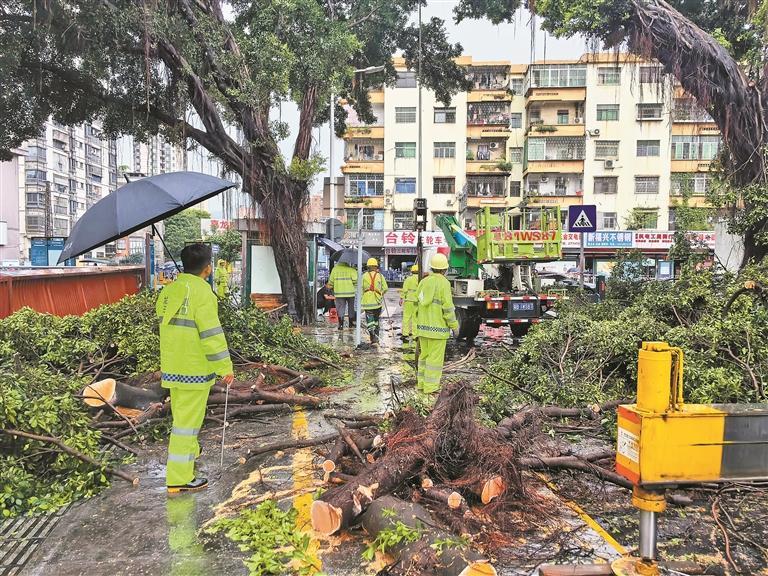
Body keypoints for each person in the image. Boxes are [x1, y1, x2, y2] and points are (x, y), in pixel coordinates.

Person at [156, 243, 234, 494]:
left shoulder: (168, 292)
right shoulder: (202, 293)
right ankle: (179, 478)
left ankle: (189, 458)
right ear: (208, 268)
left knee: (183, 420)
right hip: (194, 370)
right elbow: (211, 335)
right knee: (186, 426)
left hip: (173, 367)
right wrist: (225, 367)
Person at [415, 253, 459, 393]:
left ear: (432, 268)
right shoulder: (444, 283)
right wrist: (454, 326)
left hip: (423, 329)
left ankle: (421, 385)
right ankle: (431, 388)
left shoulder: (423, 282)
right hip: (438, 331)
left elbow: (417, 305)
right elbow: (448, 308)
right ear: (444, 269)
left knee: (424, 358)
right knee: (434, 362)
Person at [361, 258, 388, 344]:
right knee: (376, 320)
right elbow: (385, 288)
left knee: (370, 321)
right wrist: (380, 294)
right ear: (376, 266)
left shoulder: (364, 276)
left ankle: (372, 336)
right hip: (377, 302)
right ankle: (376, 334)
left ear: (368, 266)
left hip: (367, 302)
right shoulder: (380, 276)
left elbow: (360, 289)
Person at [328, 260, 357, 331]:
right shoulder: (351, 269)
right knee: (351, 308)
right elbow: (356, 281)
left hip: (339, 293)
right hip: (350, 293)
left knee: (340, 308)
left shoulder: (334, 270)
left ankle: (340, 325)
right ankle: (351, 323)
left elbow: (331, 282)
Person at [399, 264, 419, 361]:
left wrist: (401, 298)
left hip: (409, 301)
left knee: (407, 318)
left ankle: (405, 334)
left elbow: (404, 290)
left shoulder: (408, 279)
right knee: (416, 318)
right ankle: (415, 335)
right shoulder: (421, 280)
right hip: (417, 302)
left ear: (412, 271)